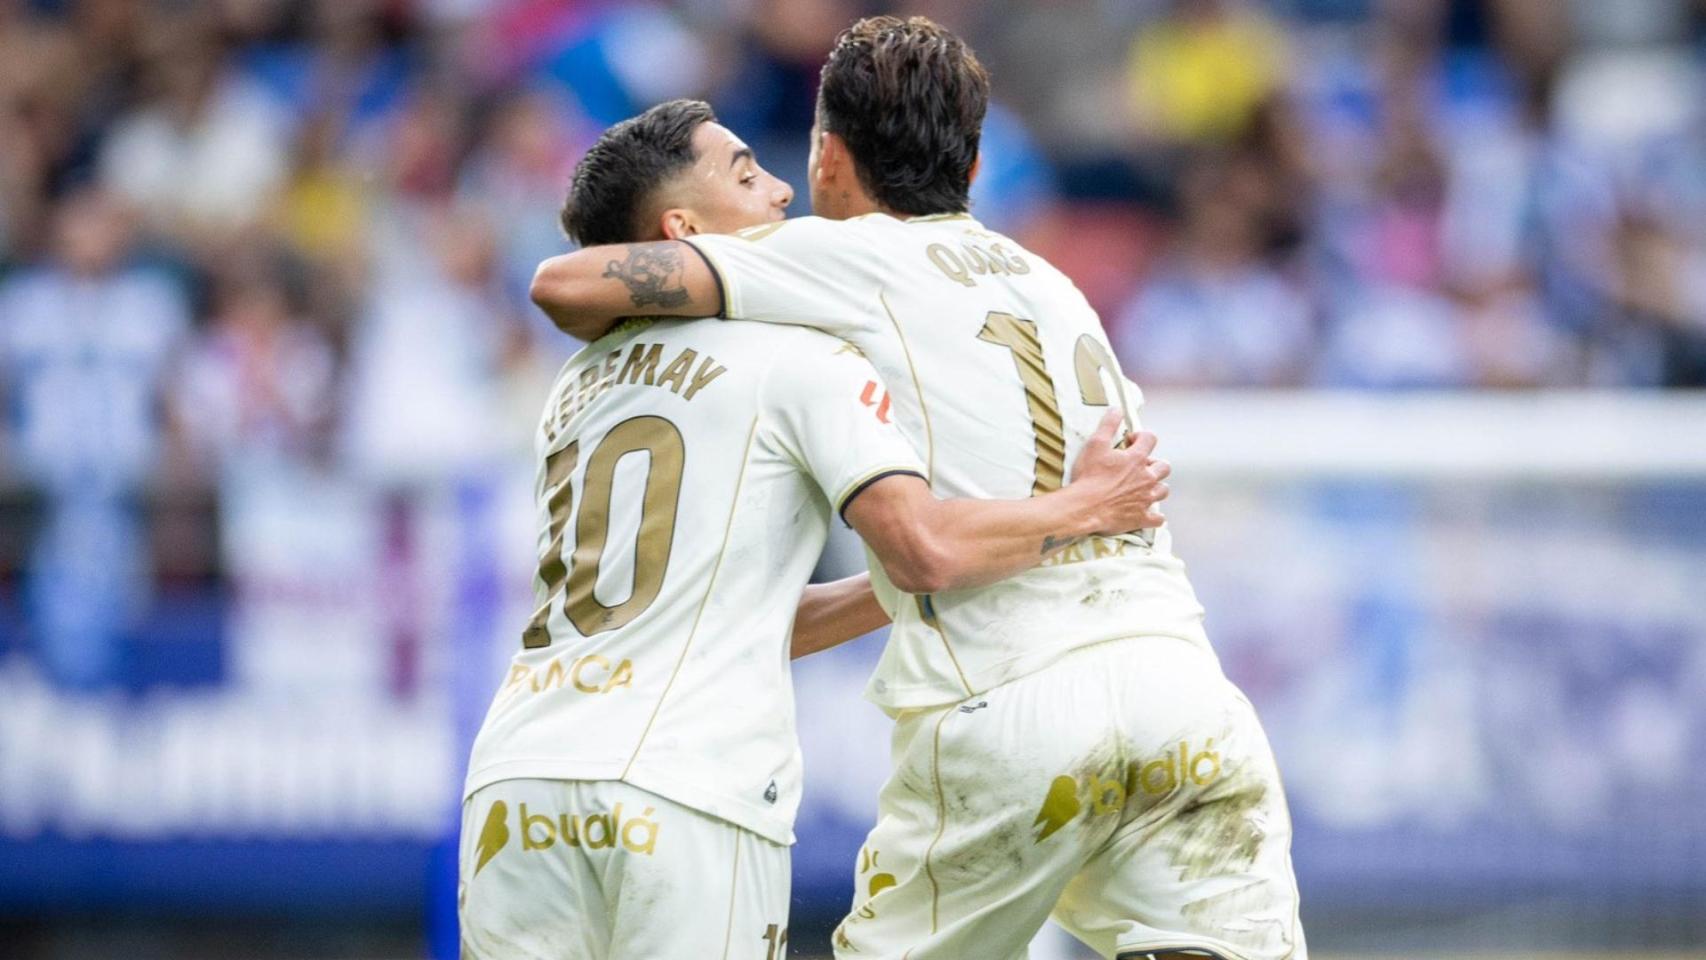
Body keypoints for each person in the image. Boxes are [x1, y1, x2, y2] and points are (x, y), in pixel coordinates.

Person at [529, 17, 1306, 960]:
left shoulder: (833, 255)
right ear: (975, 169)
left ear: (826, 156)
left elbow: (571, 284)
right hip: (1183, 692)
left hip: (1011, 704)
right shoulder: (1058, 287)